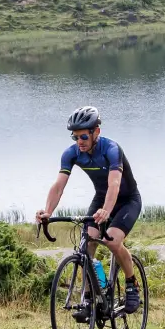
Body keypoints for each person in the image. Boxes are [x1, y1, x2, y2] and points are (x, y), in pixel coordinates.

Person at [36, 106, 142, 314]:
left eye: (83, 136)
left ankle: (131, 284)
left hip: (127, 200)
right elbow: (59, 186)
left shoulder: (112, 149)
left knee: (112, 240)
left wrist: (106, 211)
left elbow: (114, 185)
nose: (79, 141)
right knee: (87, 244)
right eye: (75, 137)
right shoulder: (71, 154)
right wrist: (47, 211)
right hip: (101, 199)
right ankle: (89, 297)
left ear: (96, 132)